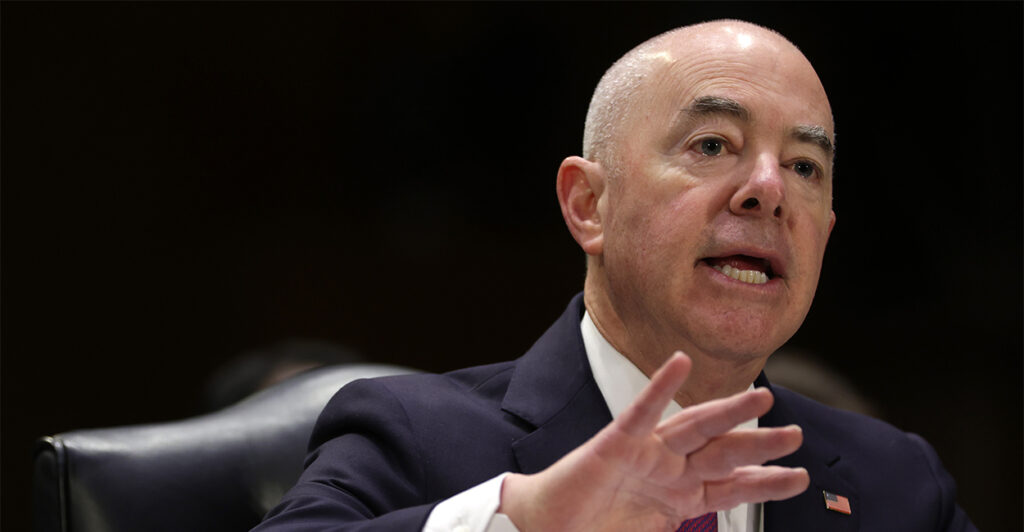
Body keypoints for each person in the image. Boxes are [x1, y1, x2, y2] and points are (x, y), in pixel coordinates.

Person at [255, 20, 975, 531]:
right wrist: (525, 523)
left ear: (824, 235)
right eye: (714, 144)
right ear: (588, 204)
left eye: (804, 166)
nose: (768, 189)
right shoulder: (415, 435)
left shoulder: (899, 486)